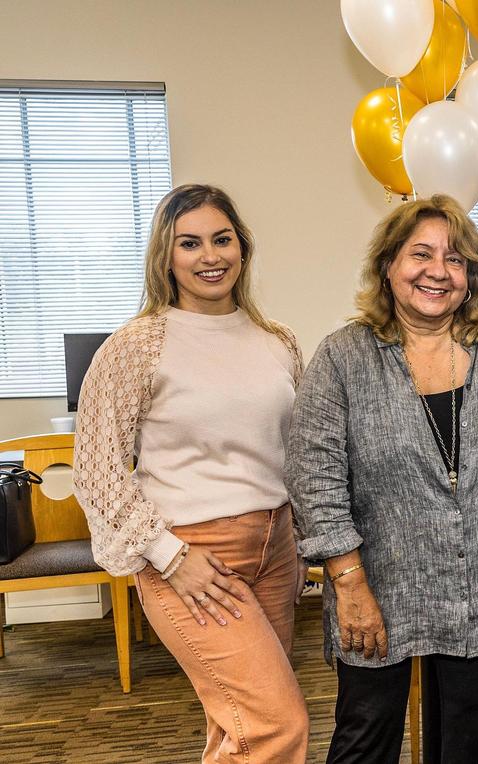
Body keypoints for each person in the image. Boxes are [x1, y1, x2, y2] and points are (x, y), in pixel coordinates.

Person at [73, 184, 310, 762]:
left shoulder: (277, 341)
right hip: (192, 556)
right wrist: (169, 556)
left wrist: (302, 542)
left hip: (276, 550)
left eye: (222, 239)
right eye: (191, 243)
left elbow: (296, 451)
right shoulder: (134, 347)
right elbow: (97, 467)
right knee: (276, 724)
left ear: (242, 248)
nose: (211, 256)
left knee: (238, 724)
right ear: (166, 257)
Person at [286, 195, 478, 764]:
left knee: (473, 742)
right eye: (421, 254)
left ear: (471, 278)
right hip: (375, 588)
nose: (439, 270)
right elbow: (313, 477)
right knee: (366, 738)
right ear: (388, 265)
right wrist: (348, 584)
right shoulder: (344, 357)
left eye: (456, 259)